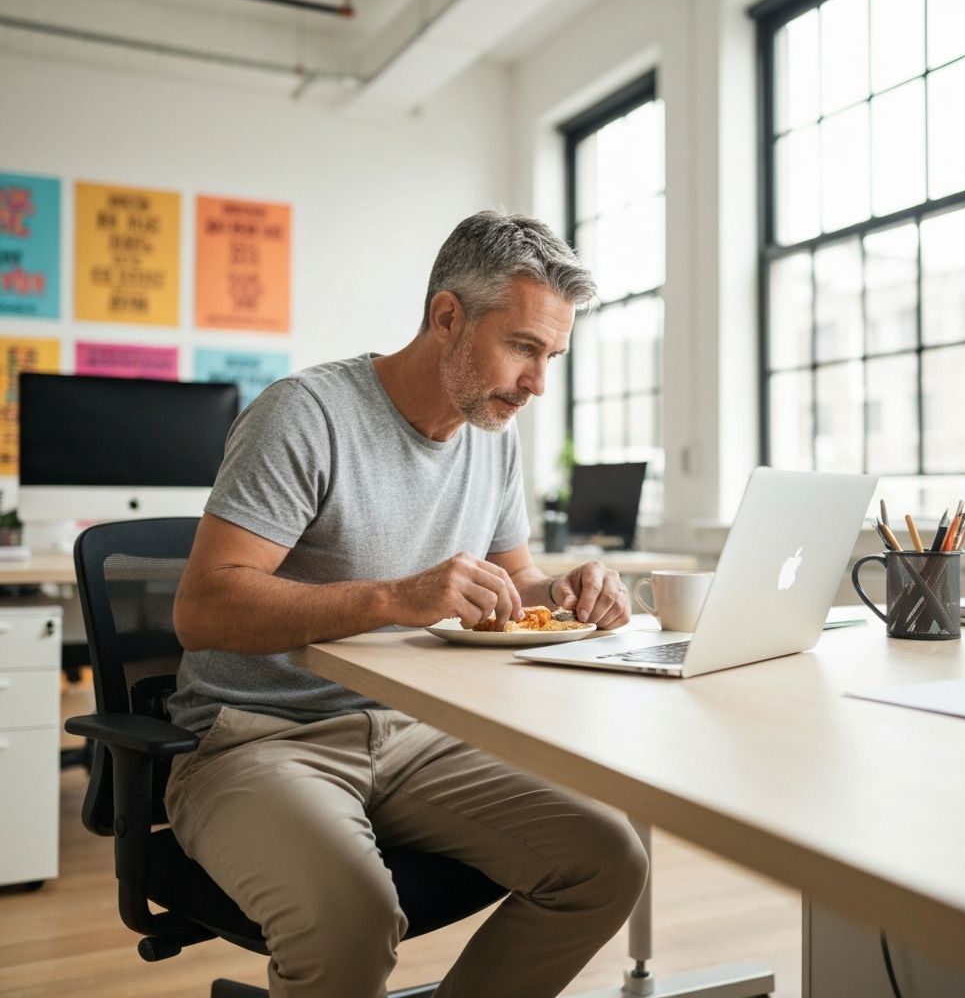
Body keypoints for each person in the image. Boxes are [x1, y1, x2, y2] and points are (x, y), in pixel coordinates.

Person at [166, 210, 648, 998]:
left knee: (606, 861)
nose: (536, 384)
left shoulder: (491, 433)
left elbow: (511, 584)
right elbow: (205, 609)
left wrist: (561, 592)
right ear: (446, 317)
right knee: (350, 919)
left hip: (418, 735)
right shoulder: (305, 414)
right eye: (523, 347)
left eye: (550, 356)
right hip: (258, 739)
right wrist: (395, 597)